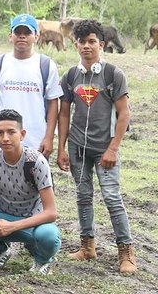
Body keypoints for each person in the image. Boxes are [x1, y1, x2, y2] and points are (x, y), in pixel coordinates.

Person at [56, 19, 136, 274]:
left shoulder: (114, 74)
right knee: (82, 196)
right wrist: (62, 147)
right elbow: (64, 113)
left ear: (101, 44)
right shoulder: (70, 76)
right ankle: (87, 246)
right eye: (82, 42)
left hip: (105, 149)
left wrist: (113, 148)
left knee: (112, 198)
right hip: (78, 148)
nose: (87, 46)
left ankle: (126, 252)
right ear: (75, 45)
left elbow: (124, 114)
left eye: (92, 41)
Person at [0, 109, 61, 275]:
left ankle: (42, 260)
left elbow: (51, 213)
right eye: (0, 133)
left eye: (11, 132)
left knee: (49, 235)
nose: (5, 138)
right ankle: (0, 250)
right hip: (2, 218)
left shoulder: (36, 161)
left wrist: (13, 226)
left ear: (22, 134)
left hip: (33, 222)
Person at [0, 14, 62, 156]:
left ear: (36, 36)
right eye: (17, 32)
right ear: (10, 36)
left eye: (27, 33)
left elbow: (53, 103)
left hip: (35, 142)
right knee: (1, 178)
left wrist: (49, 138)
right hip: (3, 141)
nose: (22, 36)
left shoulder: (45, 65)